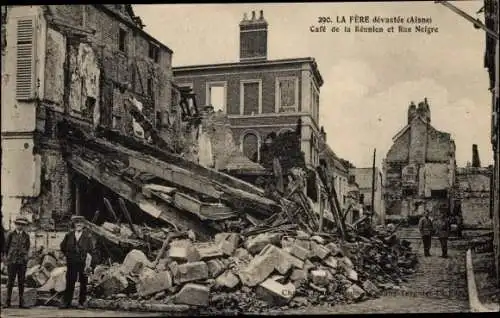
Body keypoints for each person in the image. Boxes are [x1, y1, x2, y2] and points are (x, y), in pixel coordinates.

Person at [60, 215, 94, 309]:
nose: (78, 224)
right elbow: (62, 247)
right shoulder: (69, 235)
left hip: (83, 263)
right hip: (71, 262)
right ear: (74, 224)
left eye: (81, 222)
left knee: (83, 282)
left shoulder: (88, 236)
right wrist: (68, 255)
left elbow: (91, 250)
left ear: (83, 225)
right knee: (70, 281)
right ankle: (67, 302)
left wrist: (89, 263)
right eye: (76, 222)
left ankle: (81, 302)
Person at [3, 216, 31, 308]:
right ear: (15, 224)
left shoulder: (26, 236)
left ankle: (21, 302)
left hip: (22, 262)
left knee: (21, 282)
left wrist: (25, 258)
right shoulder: (10, 234)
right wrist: (7, 259)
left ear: (24, 226)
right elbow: (6, 248)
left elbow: (27, 248)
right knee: (10, 282)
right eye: (18, 224)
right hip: (12, 261)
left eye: (22, 225)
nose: (20, 226)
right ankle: (7, 302)